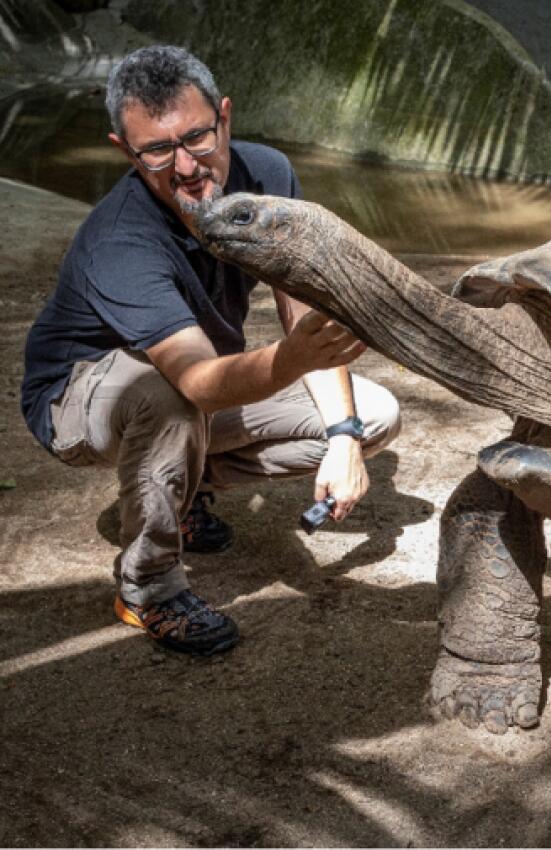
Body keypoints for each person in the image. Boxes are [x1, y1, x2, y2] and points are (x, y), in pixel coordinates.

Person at [20, 45, 402, 656]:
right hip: (79, 397)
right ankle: (149, 588)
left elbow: (300, 308)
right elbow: (197, 381)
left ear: (224, 117)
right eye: (156, 151)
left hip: (187, 386)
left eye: (197, 137)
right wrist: (295, 358)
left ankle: (181, 488)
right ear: (124, 150)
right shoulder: (120, 241)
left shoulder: (267, 175)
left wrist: (343, 436)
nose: (185, 166)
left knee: (373, 414)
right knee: (165, 399)